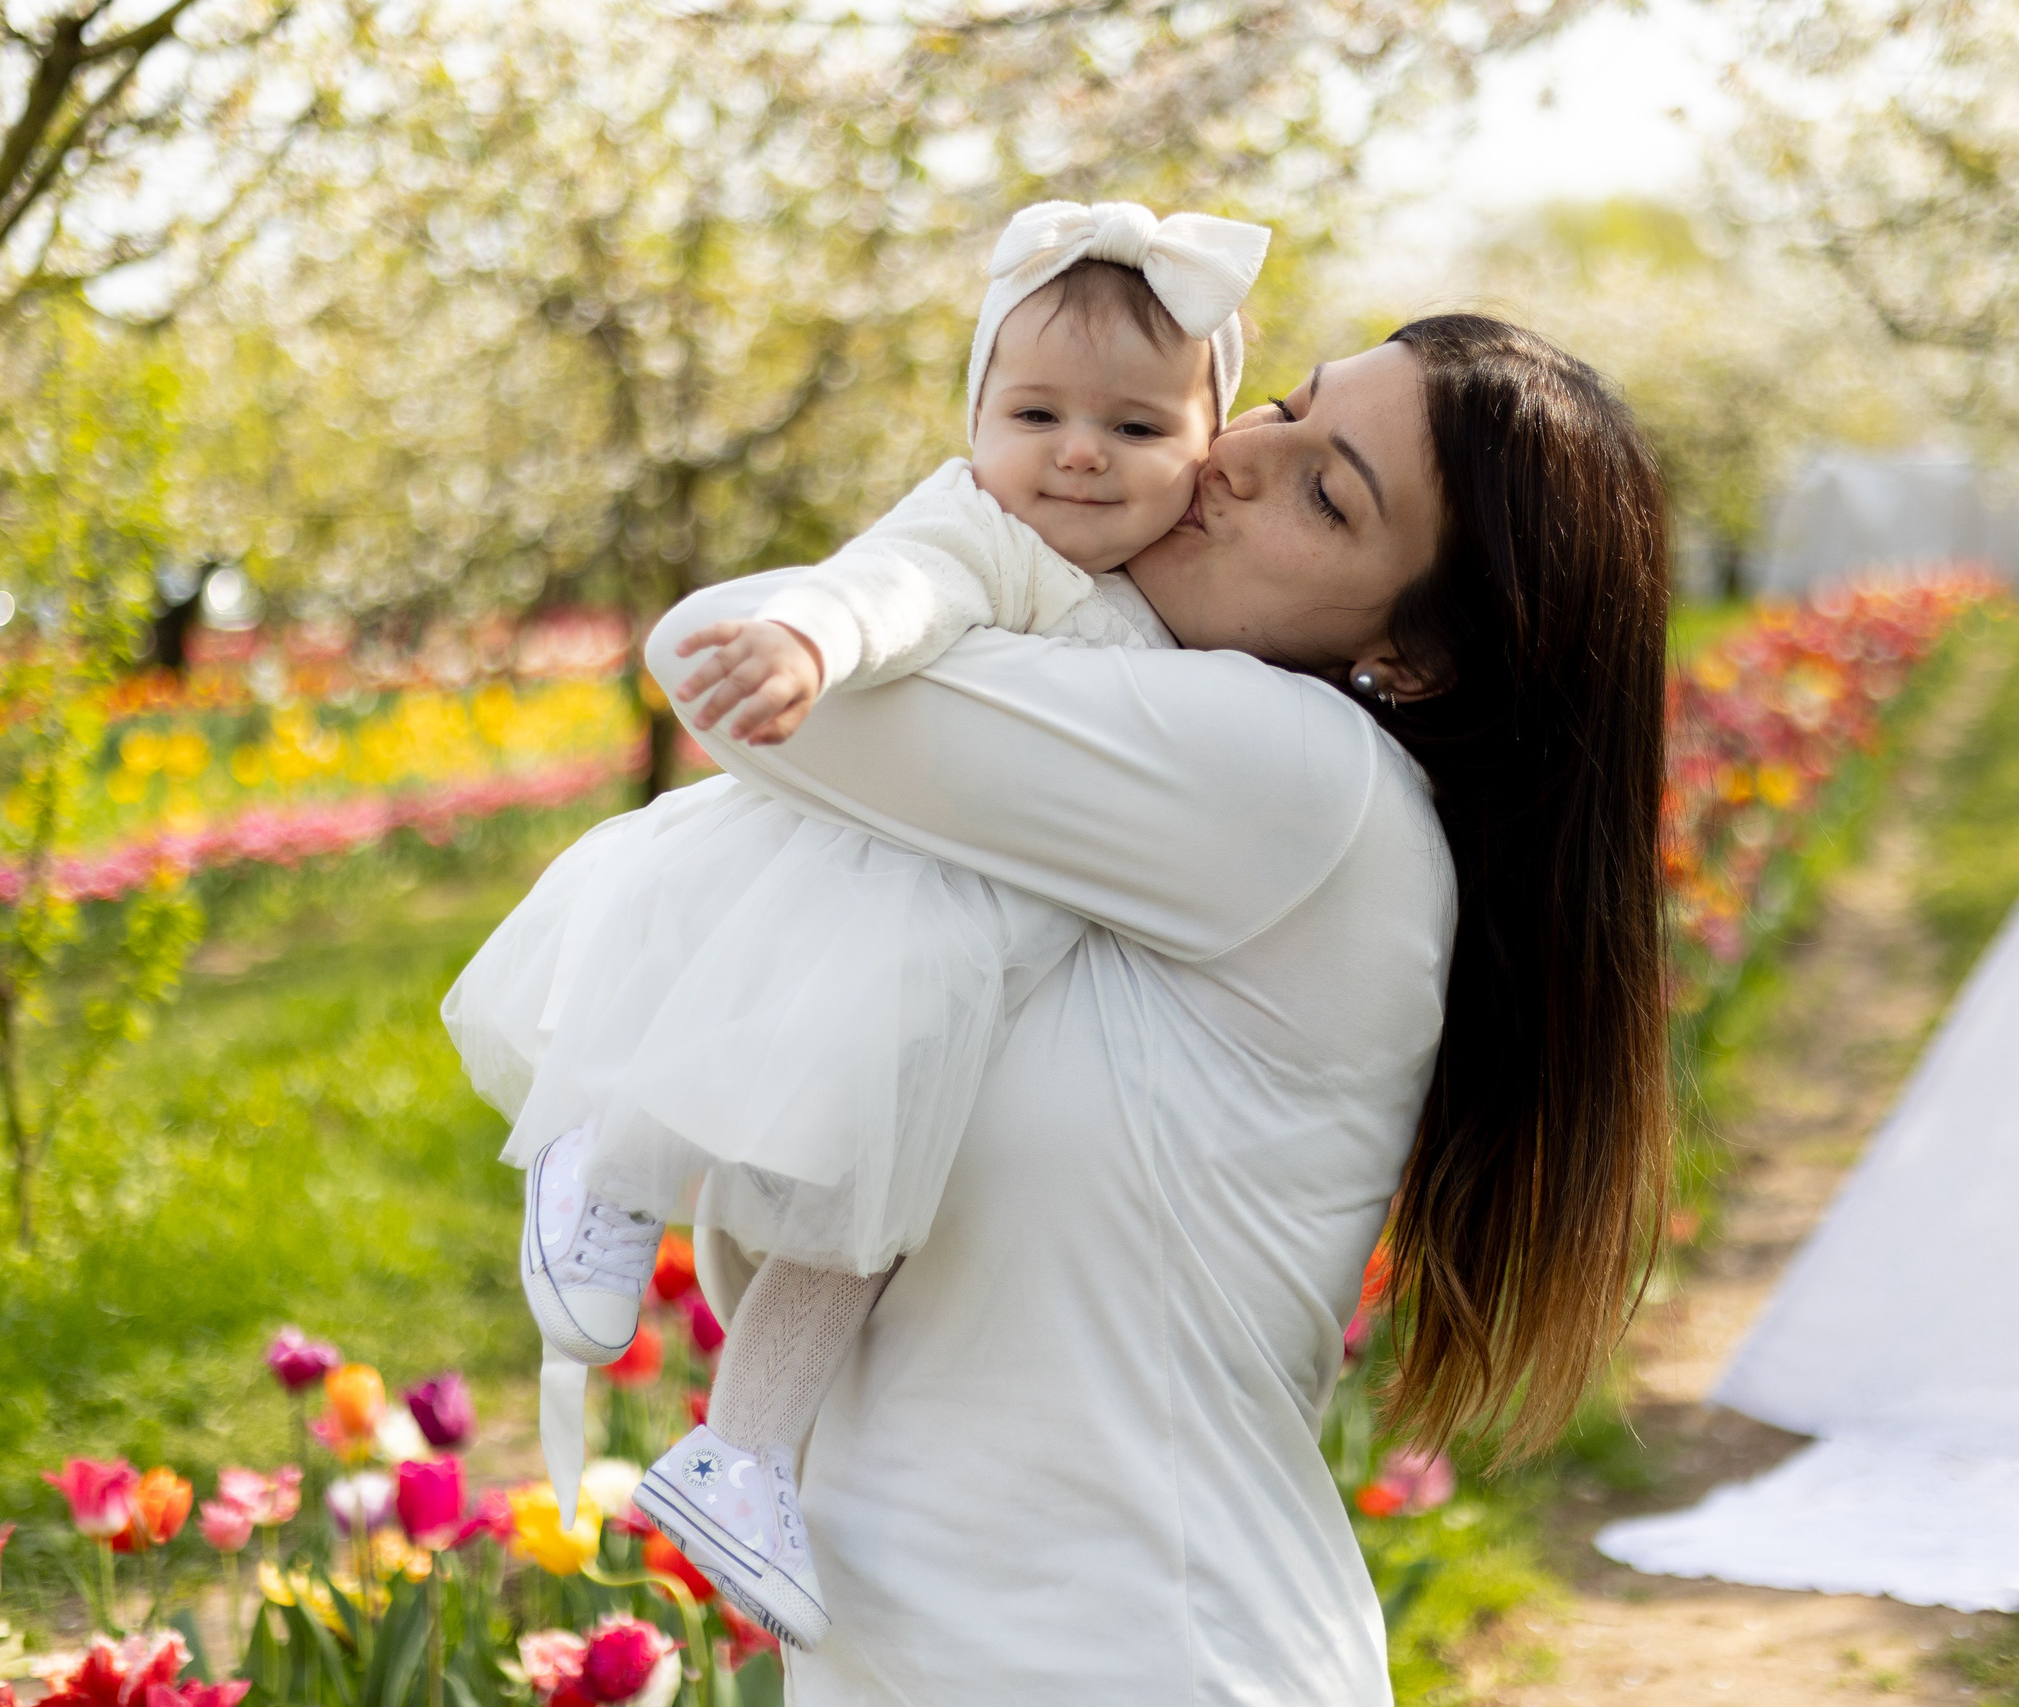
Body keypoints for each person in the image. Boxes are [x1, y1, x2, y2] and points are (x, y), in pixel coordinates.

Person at [651, 312, 1675, 1703]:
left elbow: (720, 655)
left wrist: (975, 535)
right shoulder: (1125, 795)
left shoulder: (1302, 787)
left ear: (1417, 656)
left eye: (1329, 491)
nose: (1245, 458)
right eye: (1282, 406)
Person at [441, 201, 1272, 1649]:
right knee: (714, 1055)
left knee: (859, 1214)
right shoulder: (981, 528)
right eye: (1036, 411)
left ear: (1203, 456)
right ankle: (592, 1169)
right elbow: (893, 586)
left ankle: (739, 1452)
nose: (1079, 450)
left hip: (976, 962)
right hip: (857, 890)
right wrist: (806, 644)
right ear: (976, 418)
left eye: (1137, 429)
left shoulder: (1158, 602)